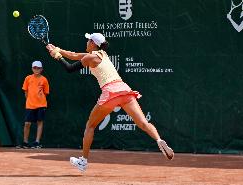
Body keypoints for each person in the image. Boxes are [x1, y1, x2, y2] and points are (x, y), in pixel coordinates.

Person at [46, 33, 174, 172]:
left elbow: (70, 68)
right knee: (143, 123)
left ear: (93, 43)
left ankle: (83, 161)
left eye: (89, 40)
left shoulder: (90, 57)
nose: (87, 42)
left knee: (90, 125)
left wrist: (57, 57)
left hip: (110, 93)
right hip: (124, 90)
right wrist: (57, 49)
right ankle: (159, 140)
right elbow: (74, 55)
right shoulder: (102, 54)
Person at [20, 60, 49, 149]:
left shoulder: (44, 79)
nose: (36, 69)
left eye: (38, 68)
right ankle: (25, 142)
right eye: (35, 67)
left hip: (41, 105)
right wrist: (30, 100)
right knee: (27, 123)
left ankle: (37, 142)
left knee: (39, 122)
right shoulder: (28, 78)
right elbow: (26, 92)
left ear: (41, 69)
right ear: (32, 68)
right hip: (30, 105)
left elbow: (46, 92)